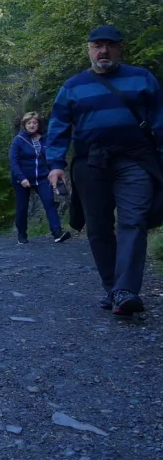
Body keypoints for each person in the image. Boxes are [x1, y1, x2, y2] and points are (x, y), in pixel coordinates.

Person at [47, 25, 163, 315]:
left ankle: (125, 290)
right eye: (97, 45)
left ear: (120, 48)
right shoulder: (72, 87)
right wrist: (55, 165)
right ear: (88, 50)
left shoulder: (142, 78)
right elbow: (58, 127)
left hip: (135, 159)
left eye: (110, 45)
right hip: (91, 163)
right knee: (98, 227)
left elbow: (160, 119)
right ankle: (113, 288)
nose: (103, 51)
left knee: (133, 222)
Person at [9, 112, 71, 245]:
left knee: (49, 203)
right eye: (29, 123)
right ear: (24, 125)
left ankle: (57, 233)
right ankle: (22, 234)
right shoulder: (19, 140)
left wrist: (54, 170)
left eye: (35, 123)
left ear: (39, 124)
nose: (32, 125)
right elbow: (13, 162)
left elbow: (52, 156)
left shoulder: (45, 139)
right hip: (22, 179)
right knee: (22, 207)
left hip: (43, 178)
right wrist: (22, 178)